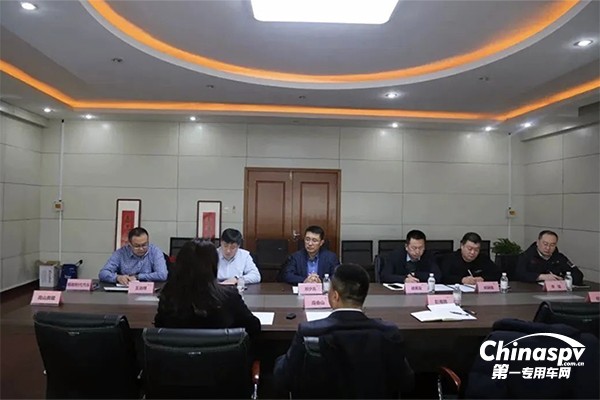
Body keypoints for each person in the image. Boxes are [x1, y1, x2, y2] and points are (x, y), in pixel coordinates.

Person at [273, 263, 414, 397]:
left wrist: (281, 359)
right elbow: (405, 381)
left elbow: (283, 378)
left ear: (335, 296)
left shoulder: (309, 332)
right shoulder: (389, 332)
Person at [154, 239, 261, 337]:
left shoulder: (168, 294)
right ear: (214, 265)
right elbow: (253, 327)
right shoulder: (229, 296)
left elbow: (159, 327)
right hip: (221, 352)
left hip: (177, 351)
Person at [99, 227, 167, 284]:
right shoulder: (120, 253)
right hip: (126, 291)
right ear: (129, 244)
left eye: (144, 245)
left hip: (150, 290)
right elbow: (103, 273)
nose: (141, 249)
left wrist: (138, 277)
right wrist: (117, 278)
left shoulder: (155, 251)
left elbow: (162, 275)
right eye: (137, 246)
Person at [515, 230, 584, 285]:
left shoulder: (559, 257)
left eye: (552, 245)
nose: (548, 248)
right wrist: (540, 277)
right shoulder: (526, 256)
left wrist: (561, 279)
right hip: (530, 292)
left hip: (556, 292)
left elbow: (578, 275)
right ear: (537, 242)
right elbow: (519, 274)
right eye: (545, 244)